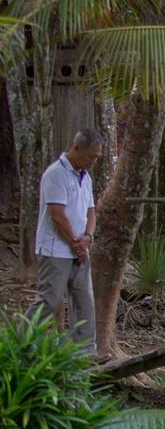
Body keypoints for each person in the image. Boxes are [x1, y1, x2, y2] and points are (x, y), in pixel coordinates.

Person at [27, 128, 101, 352]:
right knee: (48, 301)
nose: (93, 161)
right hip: (55, 250)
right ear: (76, 148)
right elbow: (57, 214)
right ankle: (21, 345)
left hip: (79, 249)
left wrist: (87, 237)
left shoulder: (85, 177)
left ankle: (84, 353)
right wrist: (75, 242)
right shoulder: (55, 173)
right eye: (91, 156)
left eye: (97, 157)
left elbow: (91, 212)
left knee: (84, 301)